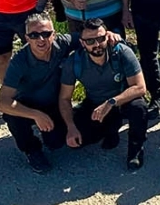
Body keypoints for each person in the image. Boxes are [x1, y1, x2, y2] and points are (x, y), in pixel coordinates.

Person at [58, 17, 148, 170]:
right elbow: (64, 98)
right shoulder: (74, 62)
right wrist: (71, 126)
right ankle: (109, 129)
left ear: (107, 36)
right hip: (95, 103)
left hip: (121, 101)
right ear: (82, 43)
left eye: (100, 39)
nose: (96, 44)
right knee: (75, 141)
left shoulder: (122, 52)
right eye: (90, 41)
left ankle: (136, 149)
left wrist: (111, 102)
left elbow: (140, 87)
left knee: (139, 107)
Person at [0, 11, 72, 173]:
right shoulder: (19, 61)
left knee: (57, 143)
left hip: (54, 103)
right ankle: (31, 150)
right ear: (26, 38)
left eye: (46, 34)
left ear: (54, 34)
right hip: (27, 105)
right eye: (34, 35)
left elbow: (88, 36)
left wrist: (109, 35)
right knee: (12, 115)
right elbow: (2, 102)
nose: (41, 39)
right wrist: (36, 115)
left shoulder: (63, 44)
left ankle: (50, 130)